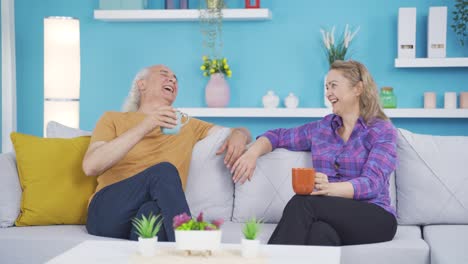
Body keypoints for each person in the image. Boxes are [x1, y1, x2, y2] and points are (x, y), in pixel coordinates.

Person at [231, 60, 397, 246]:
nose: (328, 93)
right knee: (320, 234)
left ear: (358, 88)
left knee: (302, 202)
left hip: (375, 216)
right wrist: (252, 152)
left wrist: (330, 189)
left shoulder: (382, 130)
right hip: (332, 214)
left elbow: (372, 183)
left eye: (333, 86)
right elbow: (278, 136)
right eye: (327, 87)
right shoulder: (322, 129)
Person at [83, 65, 251, 241]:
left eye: (175, 78)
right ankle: (191, 248)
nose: (172, 80)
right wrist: (148, 124)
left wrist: (239, 134)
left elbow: (235, 132)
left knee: (152, 212)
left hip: (147, 213)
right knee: (163, 171)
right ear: (142, 84)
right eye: (164, 75)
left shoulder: (187, 124)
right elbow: (91, 166)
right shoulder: (113, 119)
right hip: (106, 212)